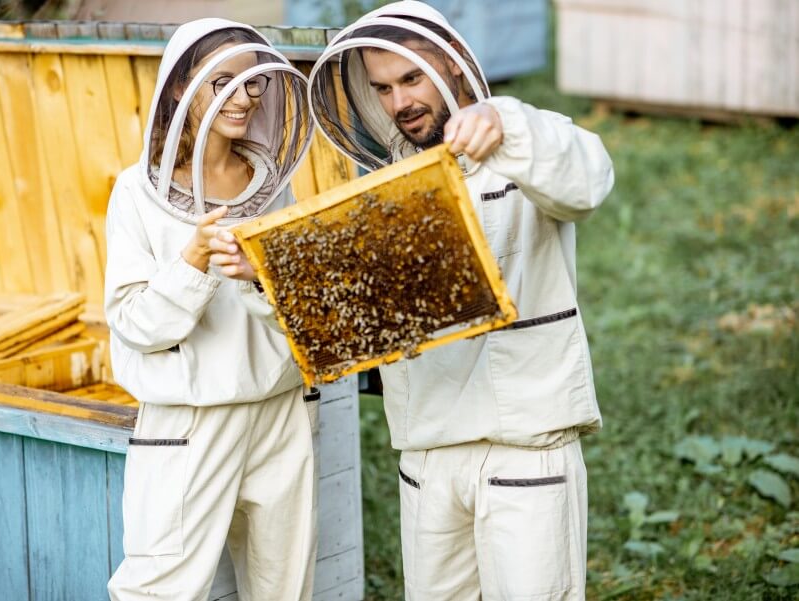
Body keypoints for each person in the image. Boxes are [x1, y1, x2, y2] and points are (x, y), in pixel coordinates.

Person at [307, 2, 615, 599]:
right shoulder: (383, 183)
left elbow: (589, 179)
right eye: (383, 88)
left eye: (411, 79)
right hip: (428, 446)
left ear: (451, 64)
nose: (400, 103)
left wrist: (506, 124)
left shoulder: (525, 137)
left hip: (525, 442)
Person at [104, 18, 317, 601]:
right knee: (160, 589)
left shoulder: (273, 188)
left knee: (284, 587)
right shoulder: (136, 193)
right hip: (191, 421)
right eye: (222, 82)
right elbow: (133, 323)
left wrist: (264, 276)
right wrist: (193, 260)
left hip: (280, 412)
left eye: (252, 84)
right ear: (178, 88)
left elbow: (302, 308)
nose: (242, 98)